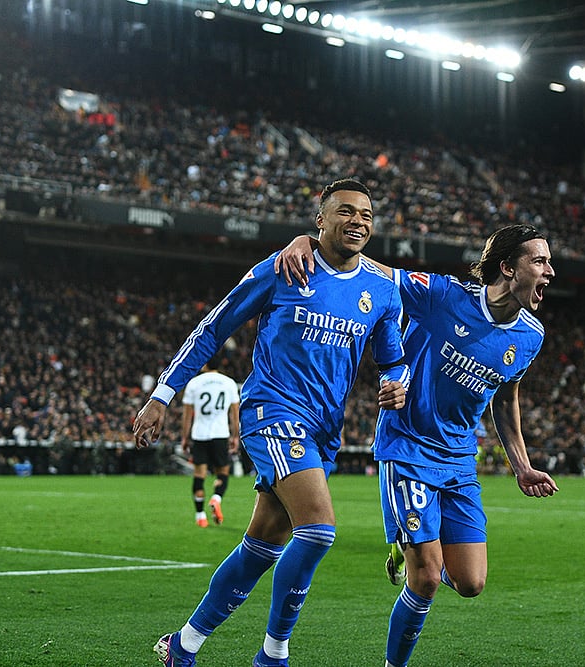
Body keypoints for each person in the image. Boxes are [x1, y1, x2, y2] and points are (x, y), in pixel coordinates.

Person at [132, 178, 411, 667]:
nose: (358, 222)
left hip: (324, 430)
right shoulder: (284, 268)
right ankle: (273, 655)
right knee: (318, 530)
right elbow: (213, 327)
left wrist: (396, 383)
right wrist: (162, 395)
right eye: (346, 211)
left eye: (366, 215)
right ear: (319, 220)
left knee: (262, 545)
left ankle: (183, 645)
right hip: (273, 412)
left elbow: (393, 360)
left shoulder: (382, 290)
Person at [276, 223, 559, 667]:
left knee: (470, 583)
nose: (550, 271)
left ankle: (405, 547)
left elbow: (506, 400)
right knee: (426, 577)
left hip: (459, 460)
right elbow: (375, 271)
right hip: (407, 448)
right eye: (539, 261)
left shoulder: (530, 336)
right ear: (508, 267)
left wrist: (522, 466)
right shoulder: (443, 295)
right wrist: (312, 244)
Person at [181, 354, 241, 528]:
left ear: (205, 364)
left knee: (199, 475)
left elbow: (187, 415)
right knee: (223, 472)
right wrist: (235, 436)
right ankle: (216, 498)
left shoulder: (194, 383)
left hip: (199, 434)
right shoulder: (229, 383)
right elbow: (235, 414)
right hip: (220, 434)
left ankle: (200, 516)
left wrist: (185, 437)